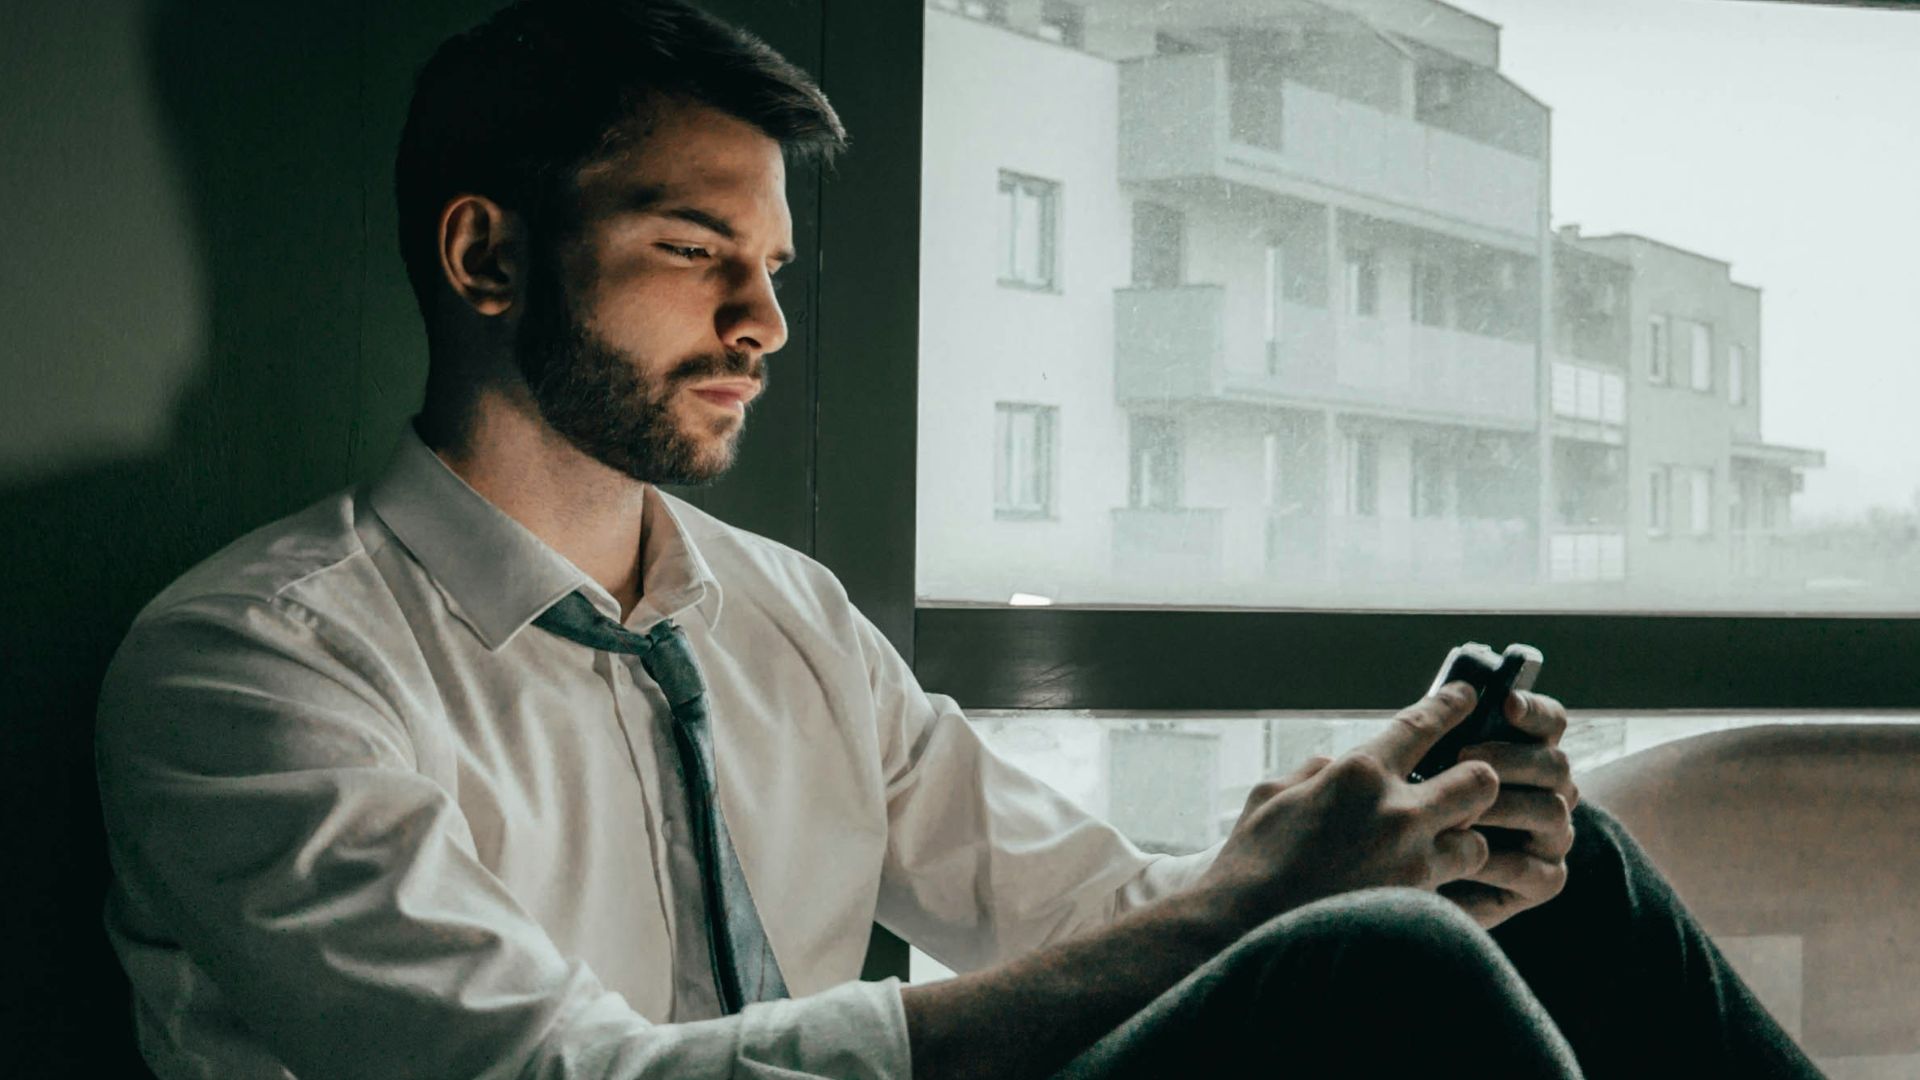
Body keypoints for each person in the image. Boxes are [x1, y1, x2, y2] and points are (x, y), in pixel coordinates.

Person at [94, 2, 1822, 1078]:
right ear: (486, 259)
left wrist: (1385, 832)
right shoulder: (252, 669)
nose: (765, 323)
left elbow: (1100, 913)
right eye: (700, 252)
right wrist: (1287, 907)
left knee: (1540, 879)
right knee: (1380, 961)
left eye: (777, 269)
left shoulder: (784, 619)